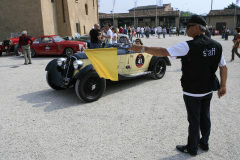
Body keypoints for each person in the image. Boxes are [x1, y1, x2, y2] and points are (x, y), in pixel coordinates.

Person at [129, 15, 227, 156]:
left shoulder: (188, 46)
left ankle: (192, 148)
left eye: (188, 26)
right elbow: (223, 66)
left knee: (194, 120)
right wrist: (223, 86)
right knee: (205, 117)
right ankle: (204, 143)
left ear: (197, 27)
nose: (186, 29)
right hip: (207, 89)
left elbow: (163, 52)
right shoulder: (217, 46)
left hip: (192, 90)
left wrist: (142, 48)